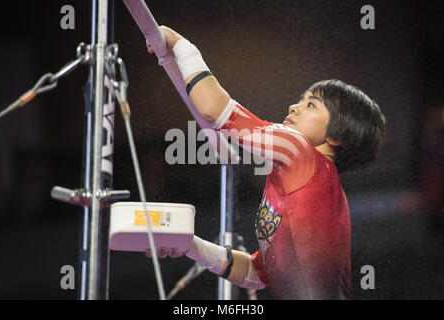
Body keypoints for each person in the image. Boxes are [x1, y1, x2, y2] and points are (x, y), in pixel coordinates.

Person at [146, 26, 386, 299]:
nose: (294, 107)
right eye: (300, 100)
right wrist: (190, 245)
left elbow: (214, 108)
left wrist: (181, 45)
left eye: (311, 105)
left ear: (337, 136)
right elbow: (258, 273)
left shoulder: (301, 153)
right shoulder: (301, 181)